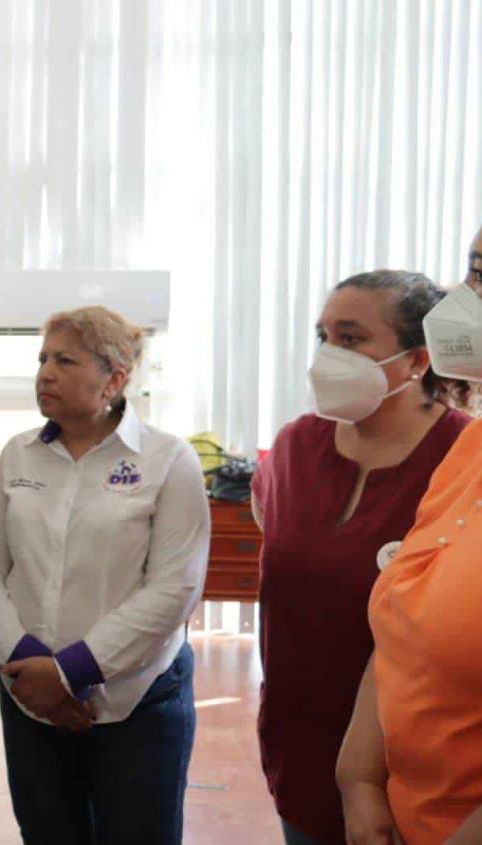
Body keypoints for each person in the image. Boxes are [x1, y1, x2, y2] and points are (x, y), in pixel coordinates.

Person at [0, 305, 210, 845]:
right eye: (43, 358)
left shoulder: (169, 461)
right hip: (30, 698)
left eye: (66, 361)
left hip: (137, 702)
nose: (45, 373)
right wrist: (32, 668)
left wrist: (70, 670)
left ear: (114, 380)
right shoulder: (19, 456)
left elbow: (175, 588)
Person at [252, 270, 473, 845]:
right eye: (323, 337)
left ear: (416, 360)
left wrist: (366, 779)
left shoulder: (459, 454)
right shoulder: (296, 447)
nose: (328, 355)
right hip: (298, 747)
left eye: (350, 339)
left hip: (415, 767)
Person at [337, 230, 482, 845]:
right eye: (474, 269)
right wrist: (359, 778)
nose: (464, 298)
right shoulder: (472, 448)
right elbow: (403, 615)